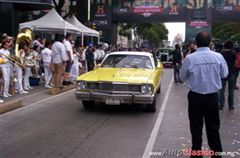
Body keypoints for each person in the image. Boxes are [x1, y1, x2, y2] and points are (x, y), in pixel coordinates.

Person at [180, 31, 228, 158]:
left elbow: (182, 77)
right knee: (213, 129)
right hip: (212, 97)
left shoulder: (190, 58)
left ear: (196, 43)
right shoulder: (218, 57)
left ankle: (196, 155)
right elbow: (225, 74)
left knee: (196, 129)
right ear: (210, 42)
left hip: (195, 96)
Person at [219, 40, 236, 111]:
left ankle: (221, 105)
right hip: (231, 73)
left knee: (221, 90)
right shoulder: (233, 53)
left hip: (223, 73)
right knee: (231, 90)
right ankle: (231, 105)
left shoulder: (221, 54)